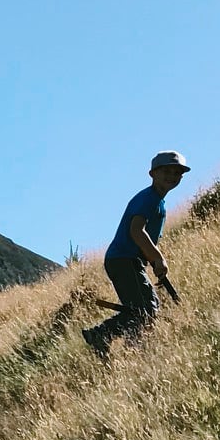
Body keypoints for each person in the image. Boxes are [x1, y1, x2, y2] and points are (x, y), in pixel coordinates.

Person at [83, 151, 190, 358]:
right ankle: (130, 349)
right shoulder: (149, 199)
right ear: (152, 174)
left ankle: (108, 338)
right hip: (124, 259)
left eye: (177, 173)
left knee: (139, 309)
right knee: (147, 309)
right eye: (166, 171)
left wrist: (152, 260)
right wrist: (158, 258)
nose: (171, 176)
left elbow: (141, 237)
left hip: (126, 260)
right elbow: (136, 231)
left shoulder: (156, 201)